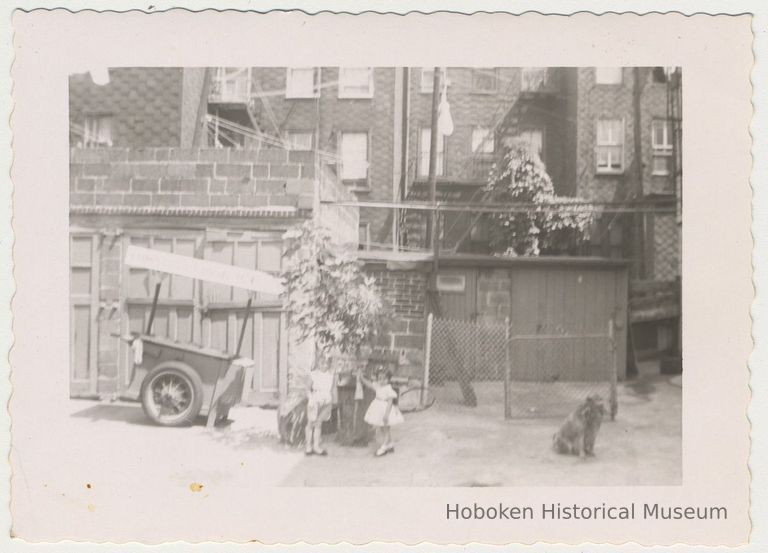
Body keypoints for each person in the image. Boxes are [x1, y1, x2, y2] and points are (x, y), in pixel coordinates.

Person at [359, 366, 404, 457]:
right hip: (378, 408)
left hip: (385, 410)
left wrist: (386, 415)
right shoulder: (377, 386)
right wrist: (361, 377)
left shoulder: (388, 389)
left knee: (385, 428)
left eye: (384, 379)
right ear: (377, 379)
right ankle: (390, 444)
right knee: (382, 427)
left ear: (388, 379)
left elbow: (390, 403)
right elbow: (369, 384)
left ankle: (384, 447)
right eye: (380, 378)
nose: (382, 381)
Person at [305, 356, 336, 456]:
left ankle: (316, 446)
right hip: (315, 400)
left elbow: (333, 388)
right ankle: (308, 446)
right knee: (311, 422)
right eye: (322, 363)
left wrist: (334, 400)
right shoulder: (313, 374)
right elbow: (307, 389)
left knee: (319, 423)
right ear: (318, 363)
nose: (324, 365)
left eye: (326, 363)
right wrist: (310, 399)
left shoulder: (331, 375)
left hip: (326, 400)